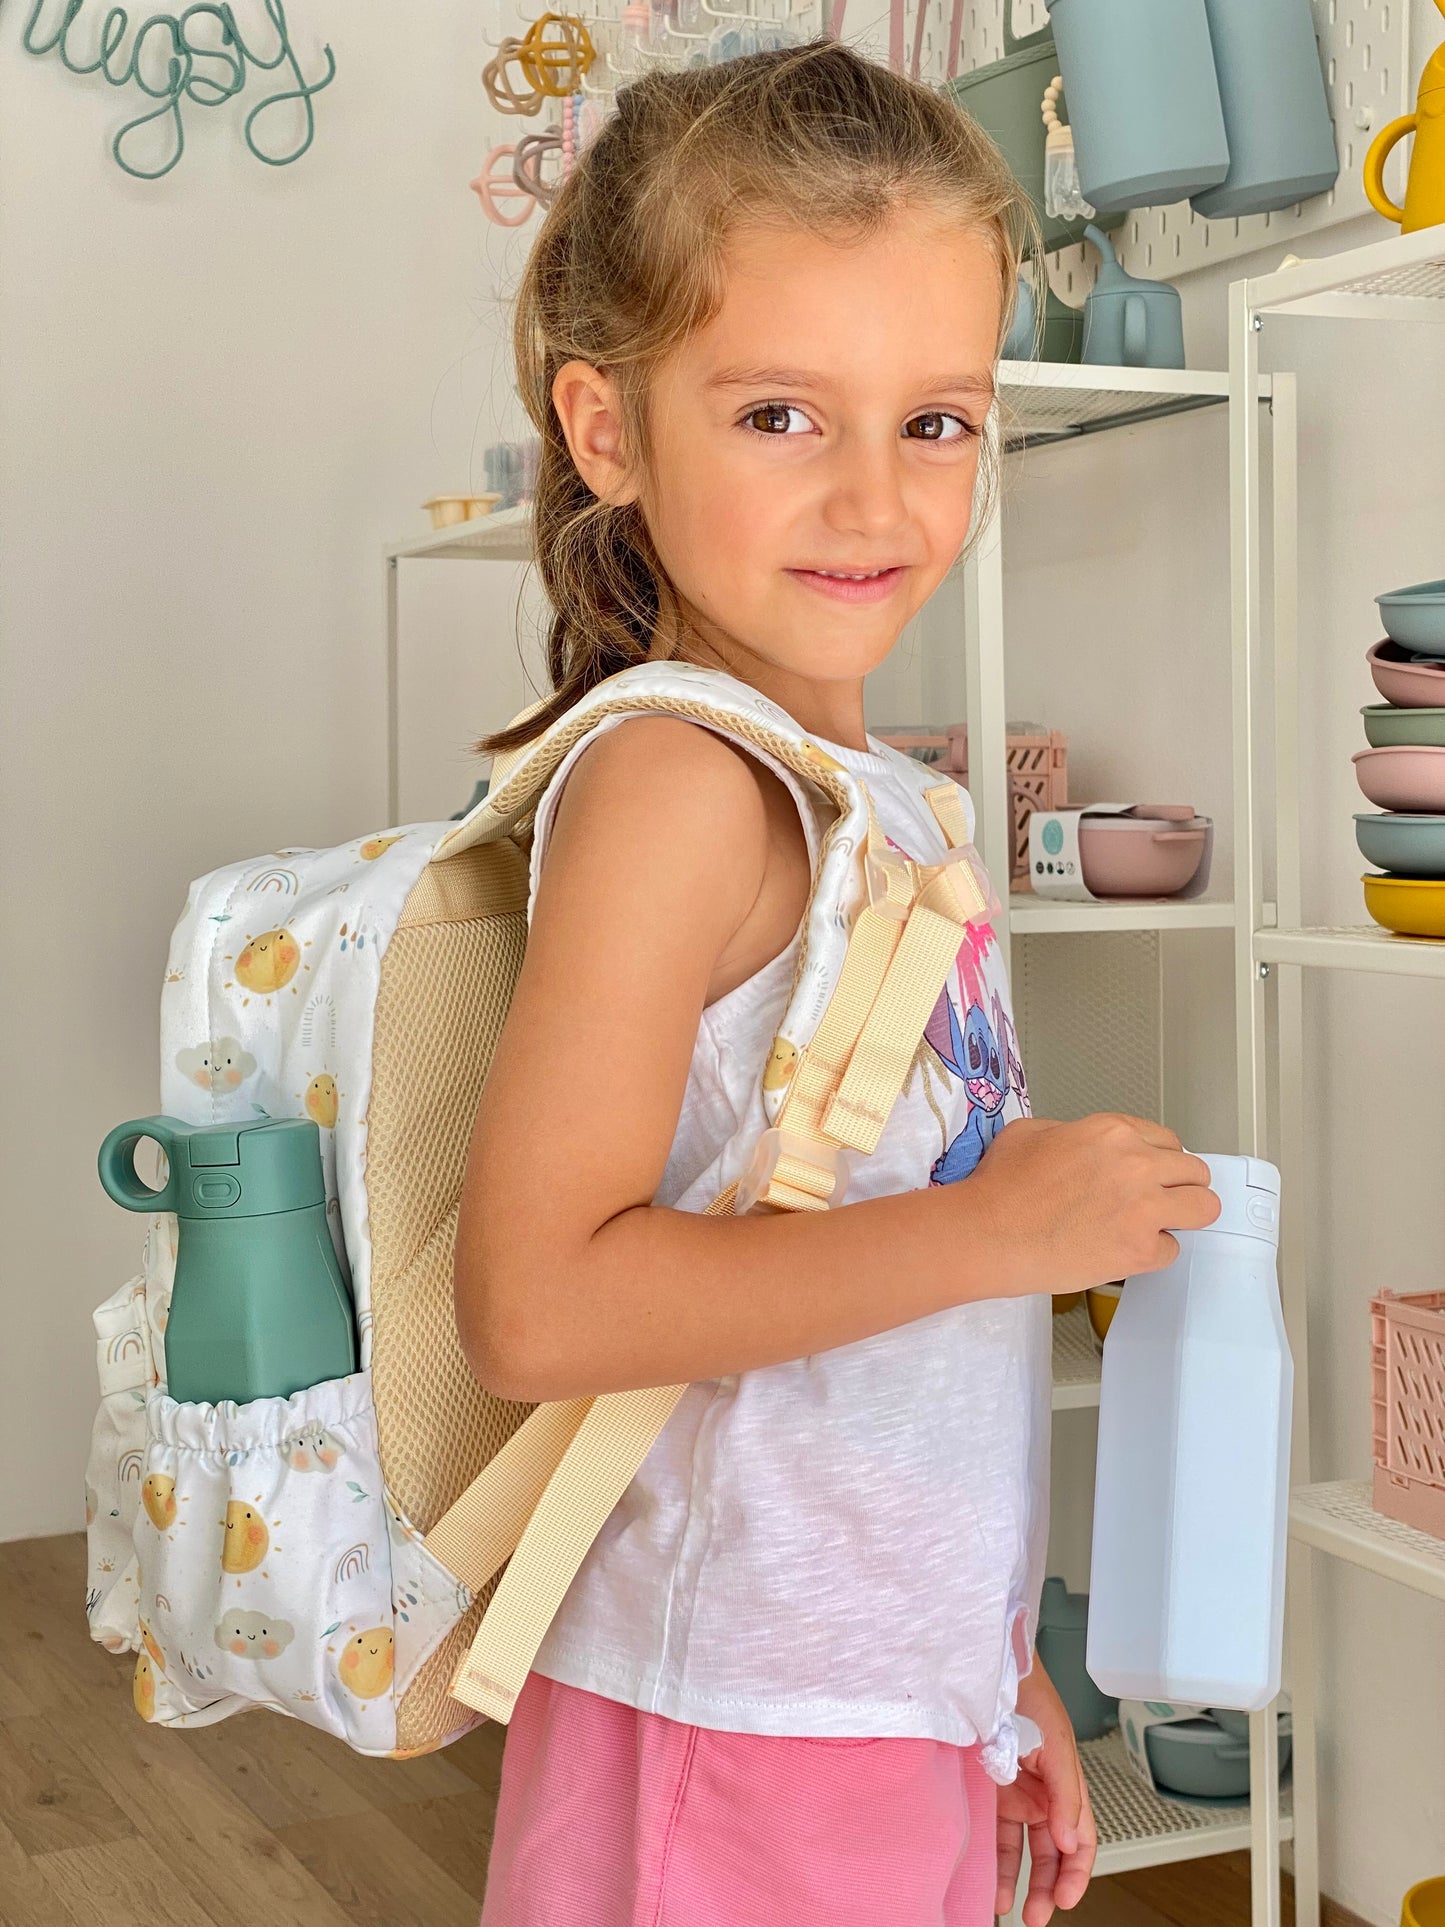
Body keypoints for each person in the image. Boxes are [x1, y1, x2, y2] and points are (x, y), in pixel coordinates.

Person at [454, 40, 1219, 1927]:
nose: (874, 499)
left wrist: (978, 1670)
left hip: (856, 1698)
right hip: (724, 1725)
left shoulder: (883, 798)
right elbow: (536, 1308)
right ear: (609, 427)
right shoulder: (673, 784)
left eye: (936, 420)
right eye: (782, 415)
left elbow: (865, 1327)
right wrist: (1003, 1233)